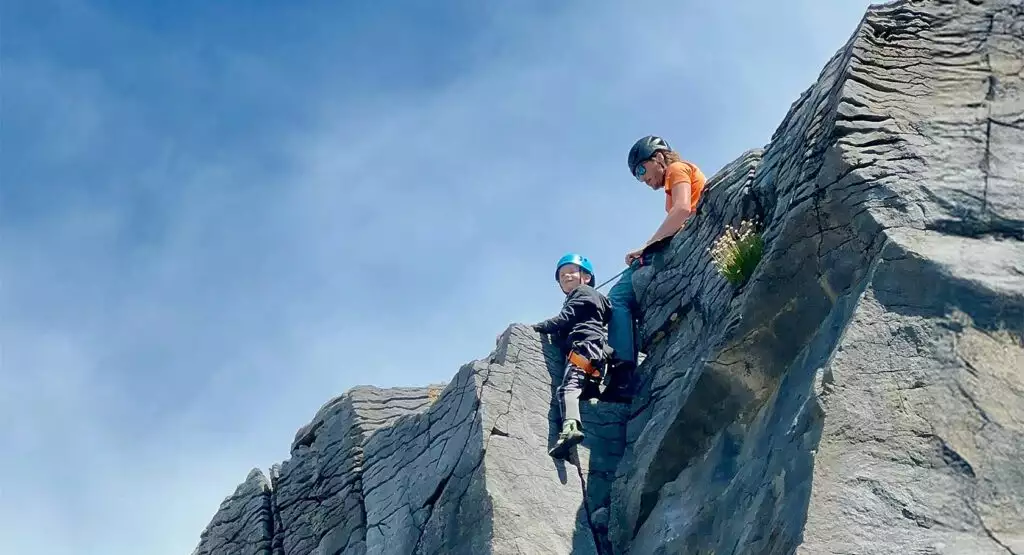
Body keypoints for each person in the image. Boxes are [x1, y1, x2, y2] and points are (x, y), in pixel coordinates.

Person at [606, 135, 707, 380]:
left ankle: (621, 369)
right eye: (637, 176)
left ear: (659, 157)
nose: (643, 179)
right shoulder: (677, 173)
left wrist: (647, 247)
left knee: (617, 298)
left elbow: (682, 209)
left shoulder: (676, 169)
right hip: (685, 242)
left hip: (678, 244)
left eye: (642, 169)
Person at [532, 253, 612, 460]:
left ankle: (570, 428)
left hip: (584, 348)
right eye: (561, 275)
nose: (566, 277)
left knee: (568, 388)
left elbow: (564, 319)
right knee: (582, 389)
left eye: (571, 272)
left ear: (586, 277)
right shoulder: (594, 300)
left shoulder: (583, 292)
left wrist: (537, 328)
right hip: (595, 354)